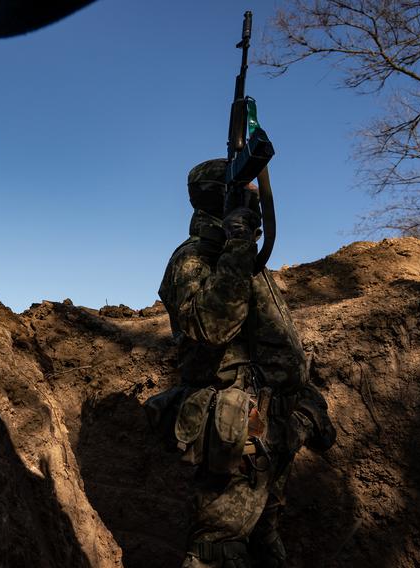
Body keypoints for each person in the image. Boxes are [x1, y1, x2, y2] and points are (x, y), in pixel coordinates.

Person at [158, 158, 337, 568]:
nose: (257, 203)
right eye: (246, 195)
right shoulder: (195, 258)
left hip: (273, 428)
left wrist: (306, 402)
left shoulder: (238, 257)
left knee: (262, 537)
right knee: (217, 548)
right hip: (238, 430)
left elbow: (271, 341)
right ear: (222, 199)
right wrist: (237, 246)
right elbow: (212, 325)